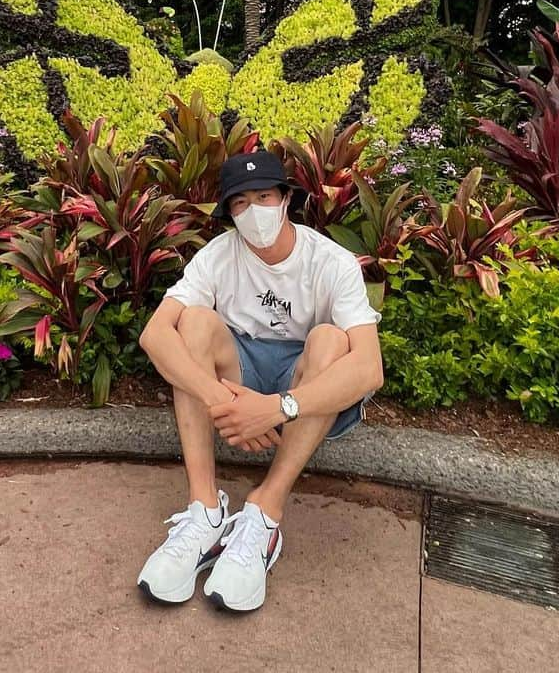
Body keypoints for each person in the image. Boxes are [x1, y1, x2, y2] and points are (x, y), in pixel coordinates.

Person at [136, 148, 383, 613]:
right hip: (239, 374)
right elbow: (154, 334)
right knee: (191, 323)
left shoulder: (332, 262)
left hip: (301, 383)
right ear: (229, 213)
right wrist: (224, 403)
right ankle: (206, 512)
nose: (254, 212)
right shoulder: (218, 255)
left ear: (286, 199)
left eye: (264, 196)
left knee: (331, 339)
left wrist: (275, 408)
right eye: (241, 203)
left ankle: (265, 513)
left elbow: (370, 367)